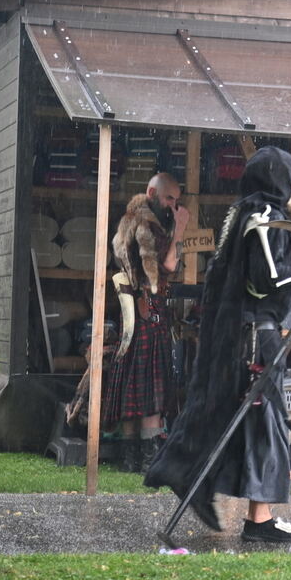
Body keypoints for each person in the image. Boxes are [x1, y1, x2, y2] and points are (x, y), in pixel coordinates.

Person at [146, 146, 291, 543]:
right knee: (265, 420)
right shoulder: (265, 215)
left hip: (249, 333)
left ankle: (256, 515)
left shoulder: (246, 212)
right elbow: (265, 280)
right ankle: (252, 514)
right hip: (256, 336)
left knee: (258, 423)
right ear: (277, 182)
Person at [104, 171, 189, 472]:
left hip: (135, 310)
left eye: (176, 201)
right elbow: (166, 265)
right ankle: (148, 459)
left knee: (134, 383)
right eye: (169, 198)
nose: (172, 205)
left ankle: (130, 458)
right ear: (152, 193)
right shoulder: (145, 225)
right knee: (149, 386)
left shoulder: (132, 219)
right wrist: (180, 230)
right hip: (148, 310)